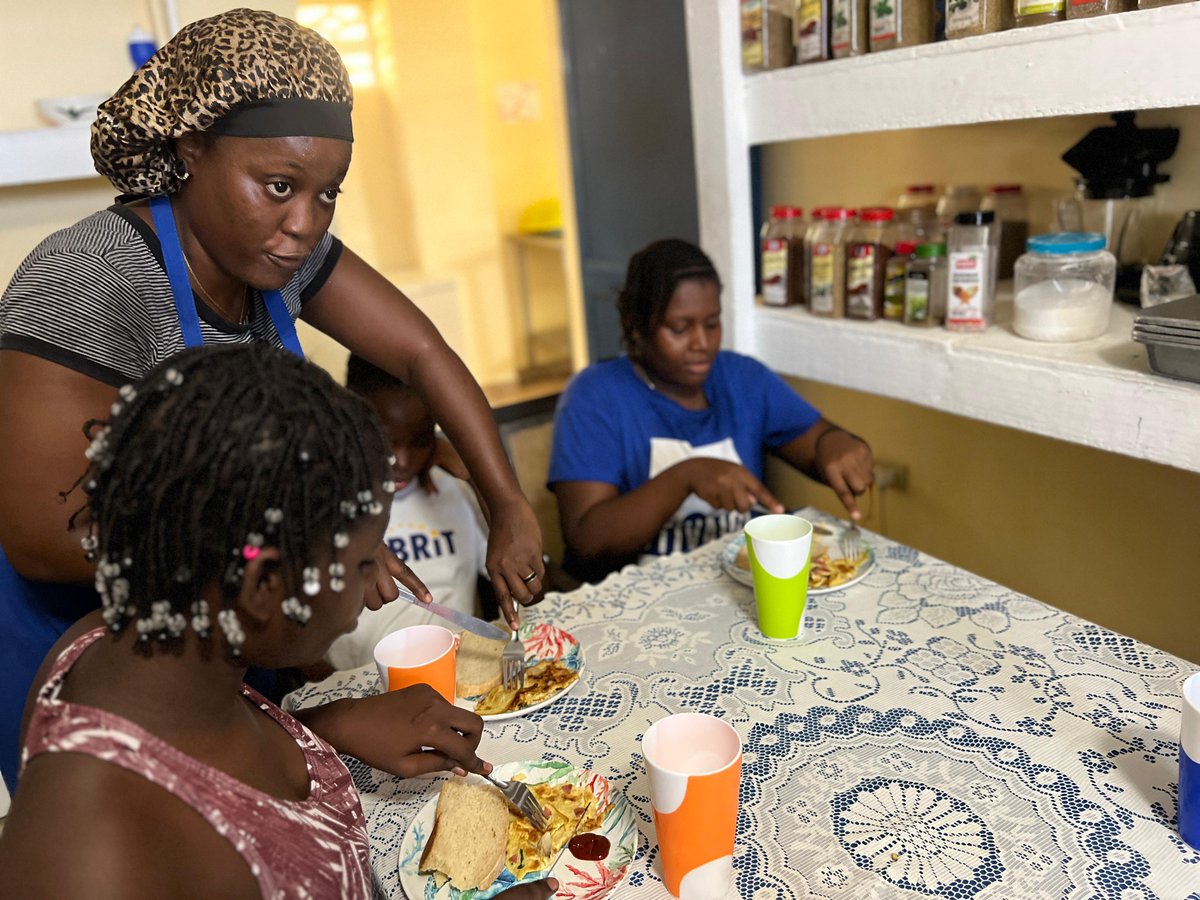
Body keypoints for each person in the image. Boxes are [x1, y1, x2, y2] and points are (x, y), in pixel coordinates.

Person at [0, 9, 545, 791]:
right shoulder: (89, 280)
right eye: (279, 186)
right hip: (93, 646)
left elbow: (421, 353)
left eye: (328, 194)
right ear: (191, 149)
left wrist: (507, 501)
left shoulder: (274, 249)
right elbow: (41, 535)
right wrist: (304, 545)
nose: (304, 224)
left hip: (229, 627)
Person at [0, 344, 556, 900]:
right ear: (266, 586)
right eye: (364, 563)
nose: (374, 587)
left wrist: (324, 728)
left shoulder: (118, 639)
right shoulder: (98, 859)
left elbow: (218, 769)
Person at [548, 238, 875, 583]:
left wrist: (836, 443)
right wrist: (685, 476)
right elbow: (588, 541)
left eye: (712, 323)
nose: (702, 343)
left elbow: (817, 441)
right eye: (679, 328)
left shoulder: (742, 378)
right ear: (636, 325)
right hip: (636, 602)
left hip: (734, 589)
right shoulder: (595, 395)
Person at [326, 355, 490, 671]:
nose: (402, 460)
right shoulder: (325, 504)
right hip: (359, 688)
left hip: (458, 676)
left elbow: (531, 582)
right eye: (386, 441)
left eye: (421, 441)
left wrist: (476, 477)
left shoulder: (451, 489)